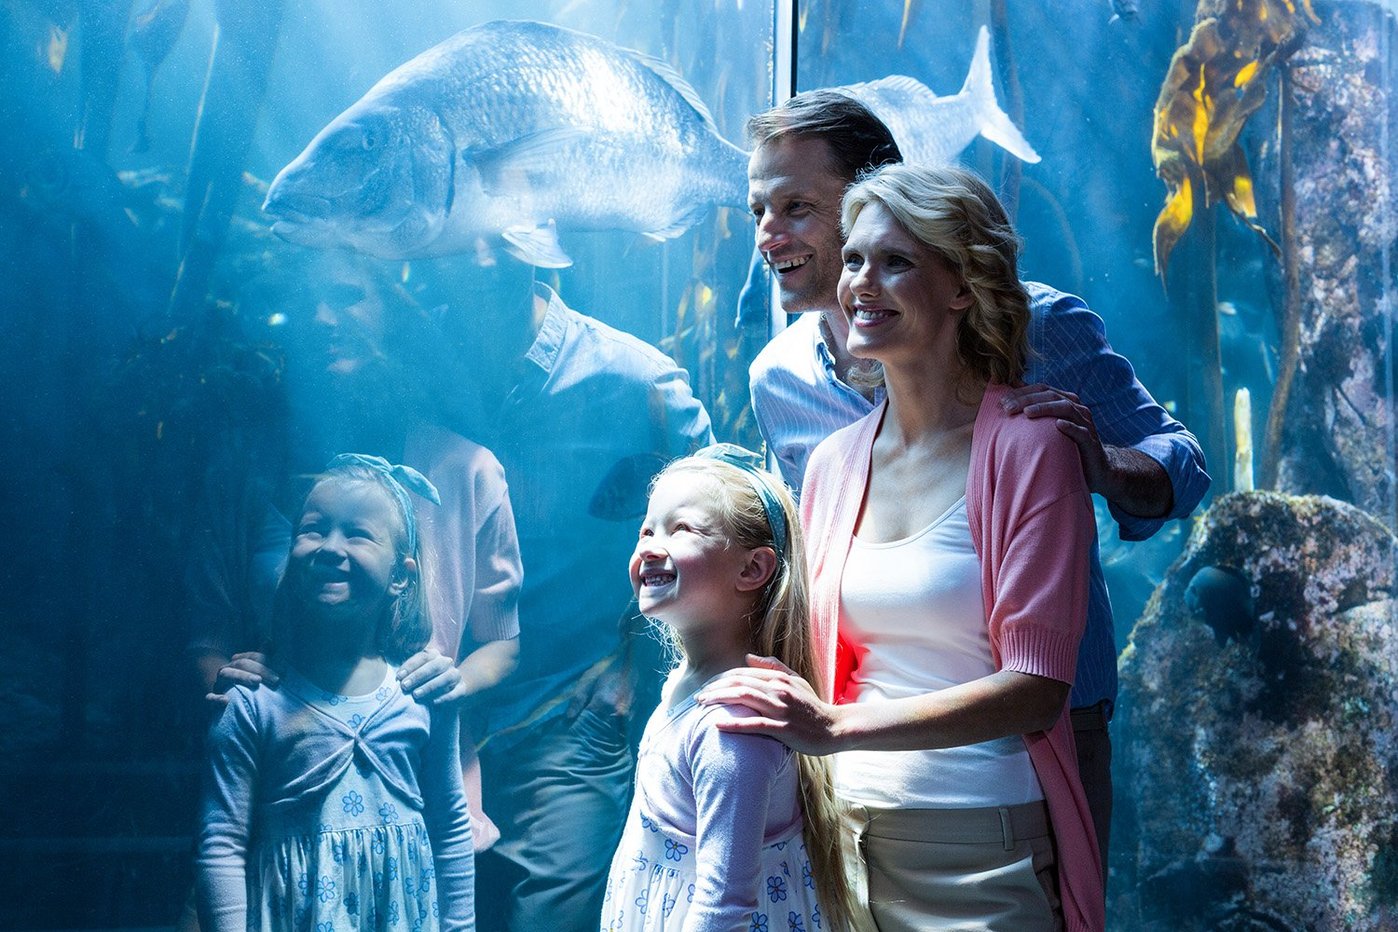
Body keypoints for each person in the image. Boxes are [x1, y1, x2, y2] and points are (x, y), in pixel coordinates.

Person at [743, 89, 1211, 864]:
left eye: (795, 207)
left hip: (1047, 730)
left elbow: (1181, 464)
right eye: (757, 210)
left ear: (872, 193)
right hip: (864, 746)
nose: (768, 233)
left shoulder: (1039, 327)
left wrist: (1100, 464)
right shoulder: (780, 382)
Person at [702, 163, 1104, 930]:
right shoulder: (830, 463)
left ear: (962, 285)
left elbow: (1038, 687)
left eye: (895, 261)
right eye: (853, 259)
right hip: (841, 837)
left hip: (980, 851)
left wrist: (832, 728)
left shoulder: (1032, 446)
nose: (860, 282)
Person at [417, 257, 715, 932]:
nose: (484, 255)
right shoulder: (411, 359)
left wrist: (636, 667)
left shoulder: (634, 380)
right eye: (467, 241)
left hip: (565, 712)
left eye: (502, 233)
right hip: (424, 716)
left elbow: (724, 529)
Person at [196, 455, 475, 931]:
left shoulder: (424, 696)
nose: (330, 546)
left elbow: (450, 830)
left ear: (401, 575)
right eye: (313, 529)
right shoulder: (252, 703)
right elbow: (221, 845)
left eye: (358, 533)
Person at [600, 448, 853, 932]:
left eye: (682, 529)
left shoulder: (732, 726)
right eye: (646, 529)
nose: (651, 546)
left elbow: (723, 911)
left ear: (752, 569)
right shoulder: (686, 683)